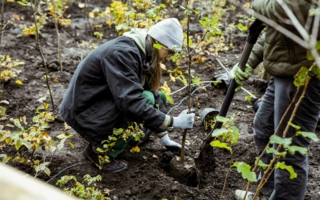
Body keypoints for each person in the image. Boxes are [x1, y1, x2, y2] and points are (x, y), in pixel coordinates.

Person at [59, 18, 195, 173]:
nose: (170, 57)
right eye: (169, 51)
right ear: (158, 43)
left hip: (102, 100)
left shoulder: (144, 51)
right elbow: (131, 102)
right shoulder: (123, 53)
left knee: (158, 97)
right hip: (85, 110)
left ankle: (125, 137)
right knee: (144, 100)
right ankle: (99, 153)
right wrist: (174, 121)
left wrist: (165, 138)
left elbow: (151, 93)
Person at [231, 0, 320, 200]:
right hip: (284, 70)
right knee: (264, 127)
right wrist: (249, 62)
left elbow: (283, 9)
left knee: (288, 150)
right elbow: (275, 32)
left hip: (304, 76)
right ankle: (266, 191)